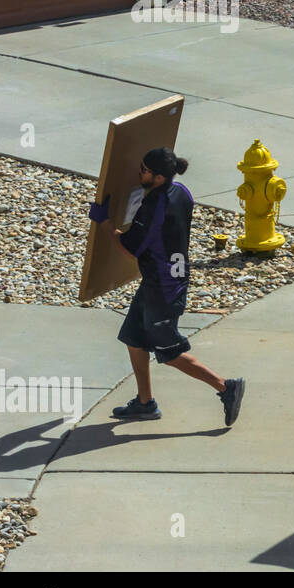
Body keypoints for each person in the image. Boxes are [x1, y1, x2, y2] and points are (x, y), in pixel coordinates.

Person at [87, 147, 245, 425]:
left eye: (145, 170)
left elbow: (128, 247)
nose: (140, 172)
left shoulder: (152, 208)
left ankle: (225, 387)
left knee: (169, 353)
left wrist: (104, 222)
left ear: (159, 177)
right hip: (162, 280)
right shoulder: (181, 191)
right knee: (134, 339)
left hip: (164, 289)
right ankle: (145, 403)